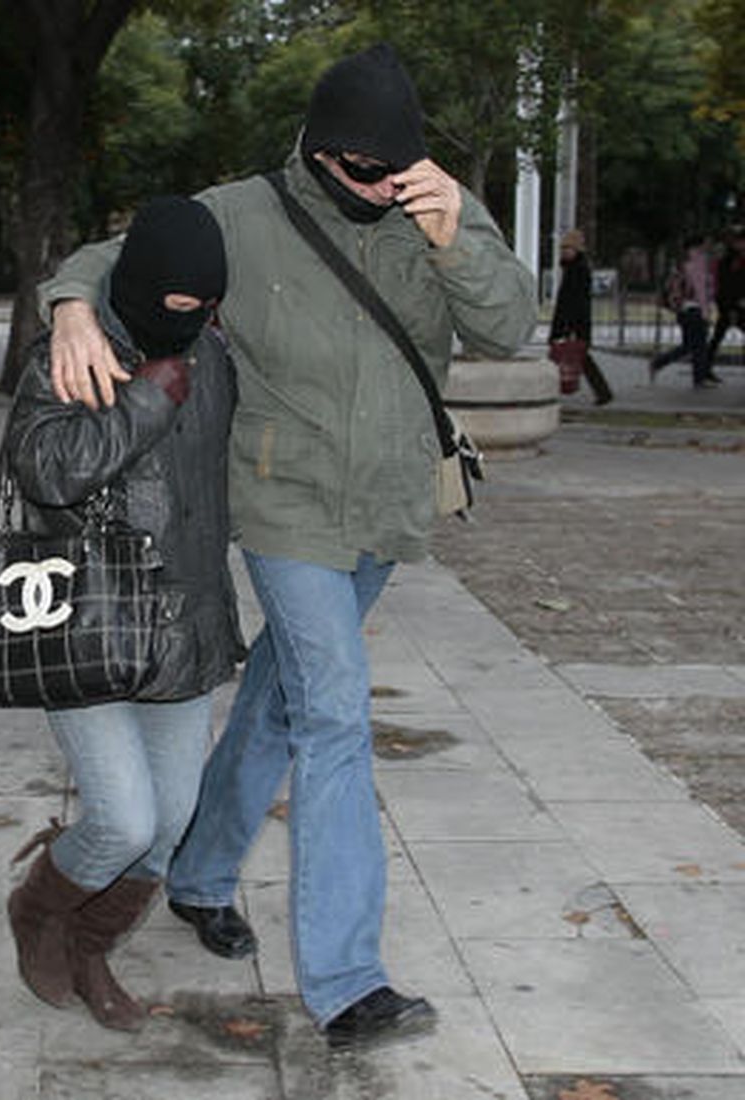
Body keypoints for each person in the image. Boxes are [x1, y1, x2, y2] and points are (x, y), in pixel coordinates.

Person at [39, 43, 535, 1049]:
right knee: (336, 712)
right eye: (359, 172)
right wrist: (69, 306)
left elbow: (509, 327)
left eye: (392, 171)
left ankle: (200, 872)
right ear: (314, 150)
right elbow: (119, 252)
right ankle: (348, 980)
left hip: (386, 503)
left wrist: (455, 242)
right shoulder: (243, 212)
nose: (377, 189)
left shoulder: (436, 204)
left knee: (278, 691)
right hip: (283, 502)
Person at [4, 196, 245, 1032]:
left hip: (182, 626)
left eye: (206, 308)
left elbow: (214, 491)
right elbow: (45, 470)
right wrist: (143, 401)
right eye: (178, 307)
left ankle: (90, 946)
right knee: (122, 818)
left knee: (170, 823)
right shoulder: (68, 353)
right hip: (86, 623)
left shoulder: (214, 351)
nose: (193, 322)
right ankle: (38, 911)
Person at [549, 228, 613, 404]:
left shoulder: (578, 270)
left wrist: (568, 328)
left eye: (568, 248)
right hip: (571, 324)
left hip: (573, 324)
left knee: (564, 358)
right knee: (578, 359)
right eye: (563, 248)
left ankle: (603, 393)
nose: (564, 252)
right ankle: (603, 393)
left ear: (576, 250)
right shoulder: (572, 268)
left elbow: (575, 302)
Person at [650, 234, 721, 388]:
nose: (707, 248)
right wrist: (706, 313)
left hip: (684, 311)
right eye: (704, 245)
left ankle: (658, 363)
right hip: (695, 310)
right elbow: (701, 293)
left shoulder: (683, 264)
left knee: (689, 346)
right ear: (696, 247)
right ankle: (699, 380)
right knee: (700, 346)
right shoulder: (697, 264)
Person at [707, 225, 745, 366]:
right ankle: (703, 368)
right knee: (718, 335)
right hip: (729, 303)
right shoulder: (730, 260)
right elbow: (727, 285)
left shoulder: (739, 258)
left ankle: (704, 368)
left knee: (718, 336)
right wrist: (731, 308)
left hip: (735, 304)